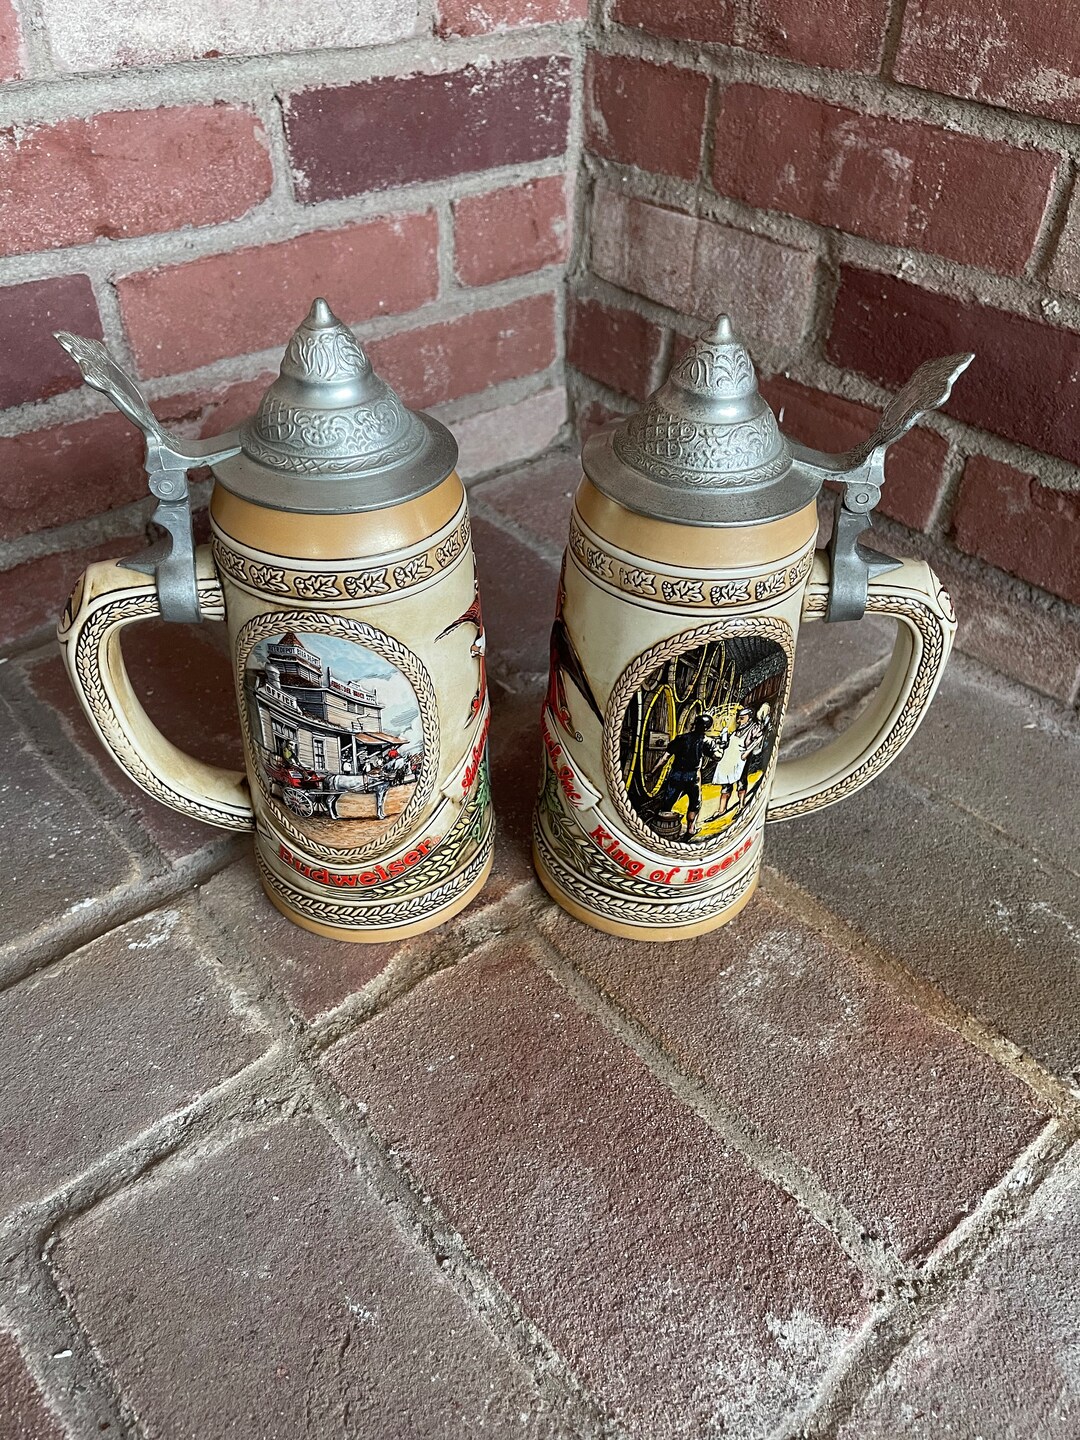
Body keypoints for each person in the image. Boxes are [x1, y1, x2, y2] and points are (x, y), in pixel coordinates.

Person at [657, 714, 721, 839]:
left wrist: (652, 772)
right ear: (707, 728)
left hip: (676, 774)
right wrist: (720, 748)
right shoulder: (707, 741)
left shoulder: (681, 738)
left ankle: (663, 829)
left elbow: (665, 757)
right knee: (694, 803)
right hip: (693, 776)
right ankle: (691, 830)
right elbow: (717, 757)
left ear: (694, 724)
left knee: (668, 801)